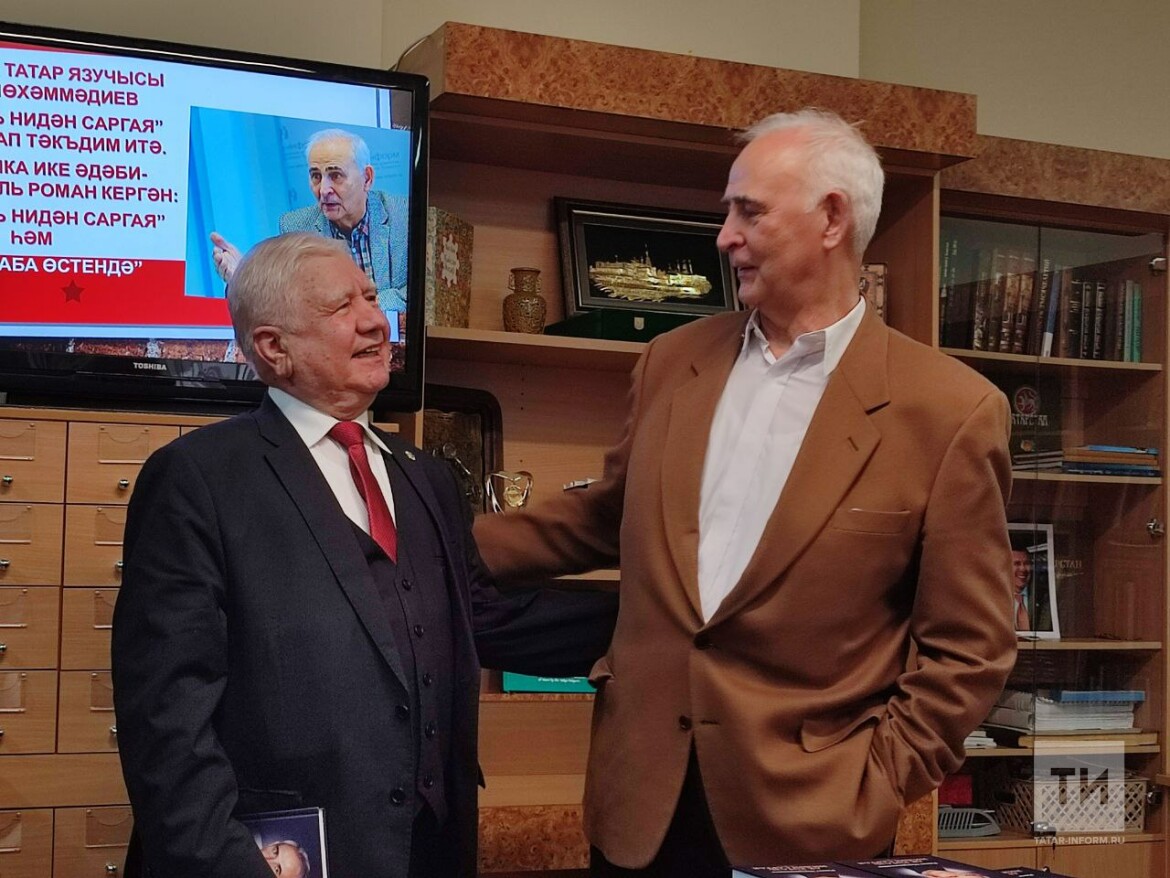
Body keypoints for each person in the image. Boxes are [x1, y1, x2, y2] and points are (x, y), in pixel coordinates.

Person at [473, 108, 1018, 873]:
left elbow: (971, 646)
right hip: (640, 810)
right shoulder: (670, 361)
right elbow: (604, 518)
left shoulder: (951, 411)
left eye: (749, 212)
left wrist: (879, 777)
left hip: (813, 823)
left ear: (832, 219)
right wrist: (421, 542)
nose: (725, 236)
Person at [112, 232, 617, 878]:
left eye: (373, 297)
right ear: (273, 347)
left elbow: (481, 618)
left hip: (428, 852)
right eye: (341, 307)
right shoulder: (197, 479)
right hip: (277, 857)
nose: (376, 321)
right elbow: (167, 718)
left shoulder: (425, 475)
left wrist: (658, 627)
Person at [211, 128, 409, 312]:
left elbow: (419, 289)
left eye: (335, 175)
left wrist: (367, 306)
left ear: (367, 178)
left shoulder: (404, 215)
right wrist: (240, 278)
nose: (323, 190)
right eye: (316, 176)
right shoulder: (296, 227)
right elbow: (283, 301)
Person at [1010, 547, 1033, 630]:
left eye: (1027, 563)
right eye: (1017, 563)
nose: (1023, 569)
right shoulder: (993, 600)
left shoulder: (1044, 598)